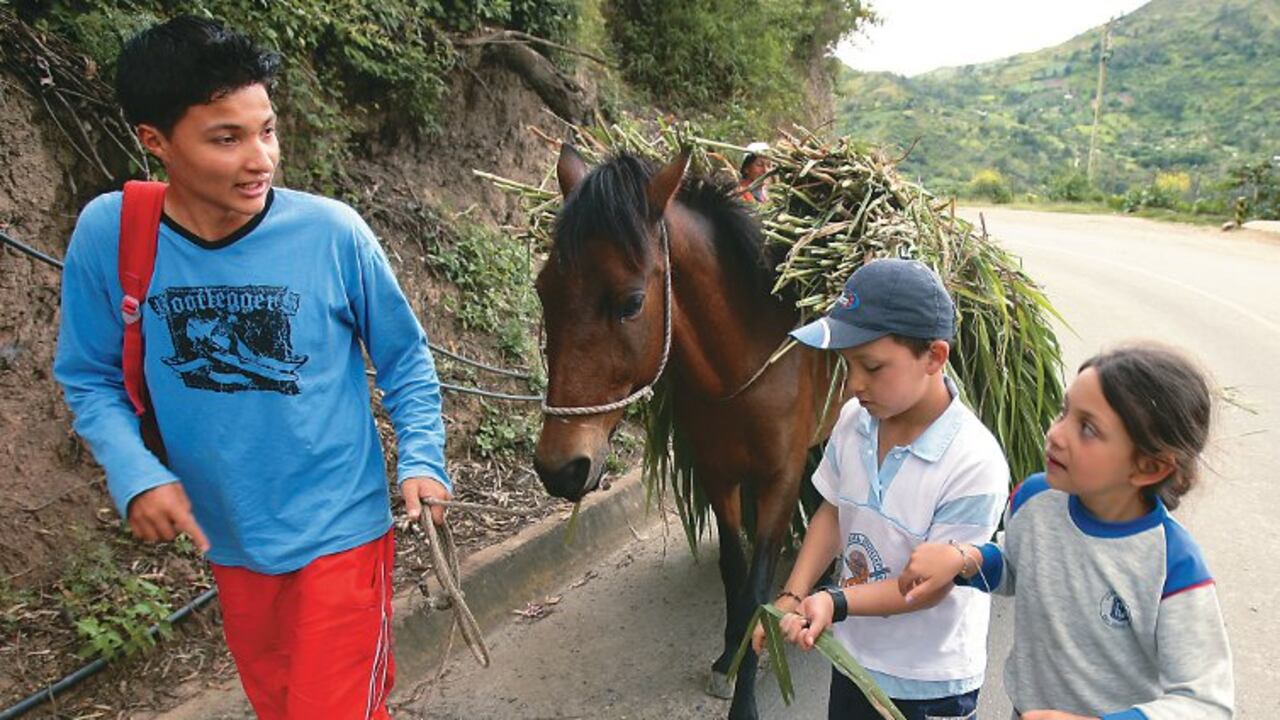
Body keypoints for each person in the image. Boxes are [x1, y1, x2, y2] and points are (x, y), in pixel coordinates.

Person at [53, 16, 451, 719]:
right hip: (233, 541)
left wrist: (422, 456)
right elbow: (90, 374)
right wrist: (136, 471)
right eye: (226, 138)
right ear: (155, 141)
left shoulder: (331, 234)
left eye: (266, 129)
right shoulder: (112, 235)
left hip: (341, 534)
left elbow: (403, 357)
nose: (260, 158)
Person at [900, 344, 1234, 720]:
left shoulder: (1172, 564)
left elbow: (1206, 703)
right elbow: (1014, 565)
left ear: (1149, 467)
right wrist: (966, 559)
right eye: (1064, 412)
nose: (1056, 433)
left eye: (1088, 428)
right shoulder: (1035, 499)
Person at [753, 258, 1010, 720]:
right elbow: (833, 511)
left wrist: (834, 600)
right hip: (852, 657)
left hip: (927, 684)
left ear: (934, 357)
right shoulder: (855, 422)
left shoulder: (973, 461)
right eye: (848, 365)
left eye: (872, 366)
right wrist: (793, 594)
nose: (854, 385)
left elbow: (928, 588)